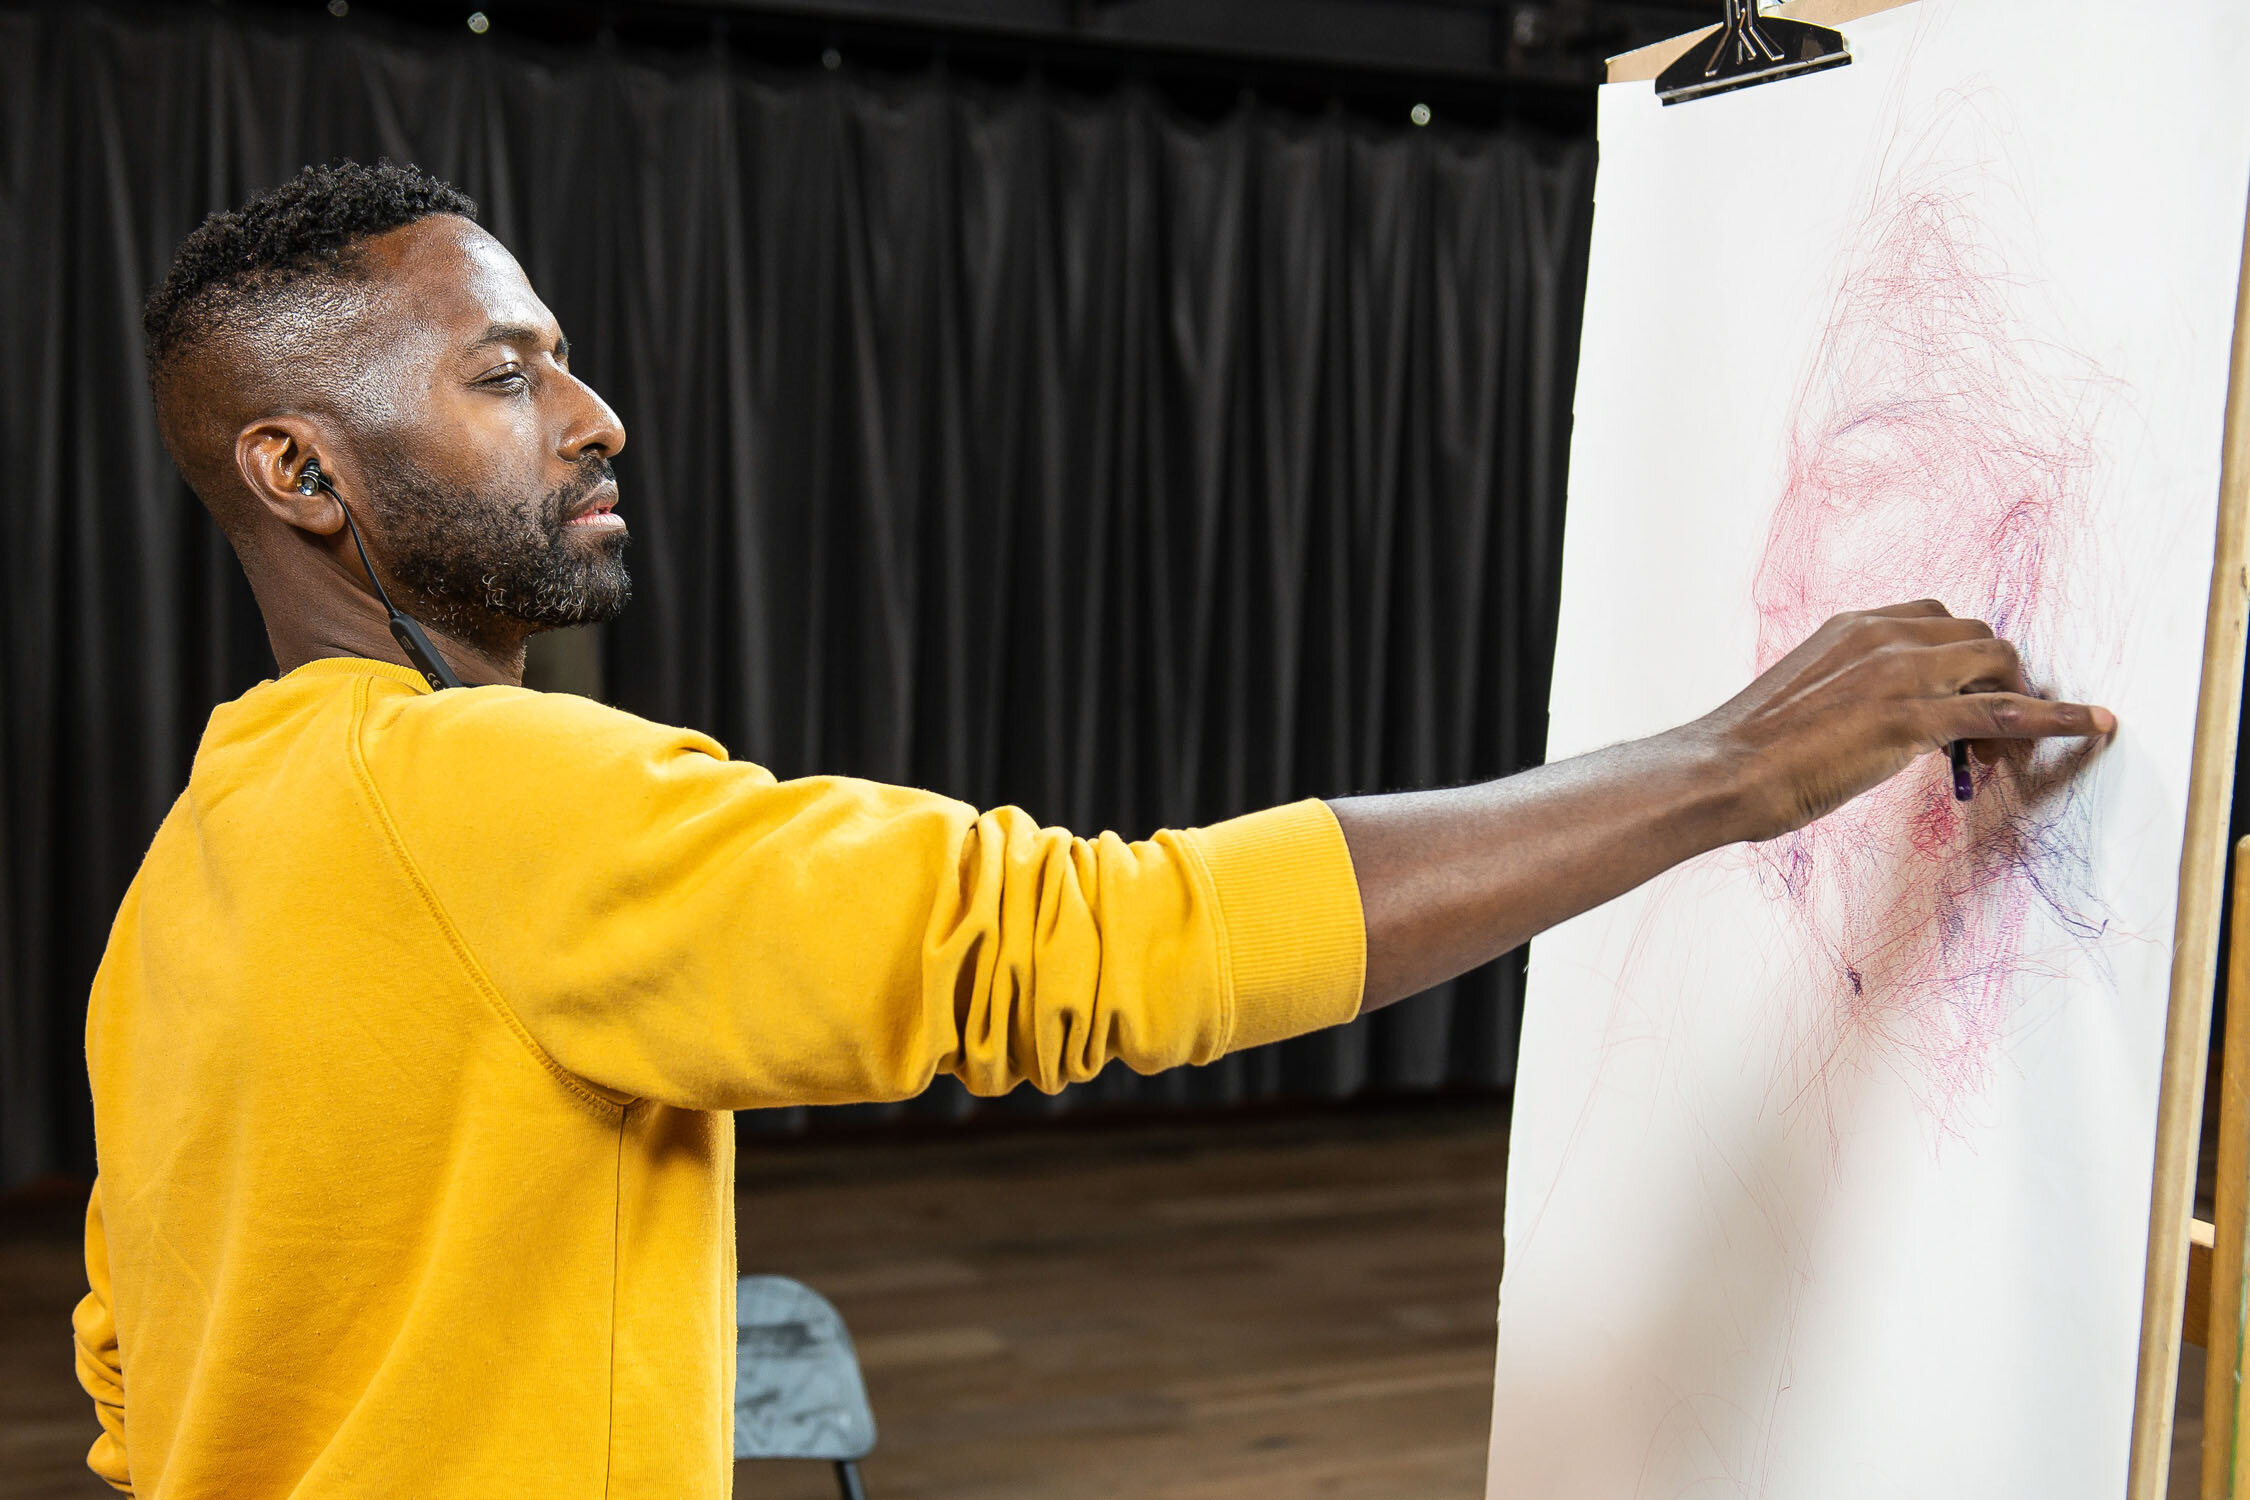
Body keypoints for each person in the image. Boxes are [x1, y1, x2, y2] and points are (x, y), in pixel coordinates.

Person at [74, 159, 2114, 1498]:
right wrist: (1727, 769)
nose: (596, 414)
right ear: (297, 467)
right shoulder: (486, 790)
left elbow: (127, 1367)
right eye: (507, 373)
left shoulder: (200, 858)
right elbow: (1089, 949)